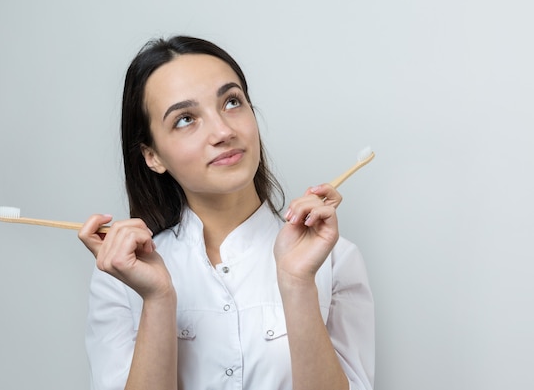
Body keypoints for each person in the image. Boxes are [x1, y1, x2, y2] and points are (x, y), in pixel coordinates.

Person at [78, 36, 374, 390]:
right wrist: (157, 300)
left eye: (232, 102)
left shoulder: (336, 261)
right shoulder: (120, 277)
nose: (223, 131)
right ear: (152, 156)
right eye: (186, 119)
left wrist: (297, 285)